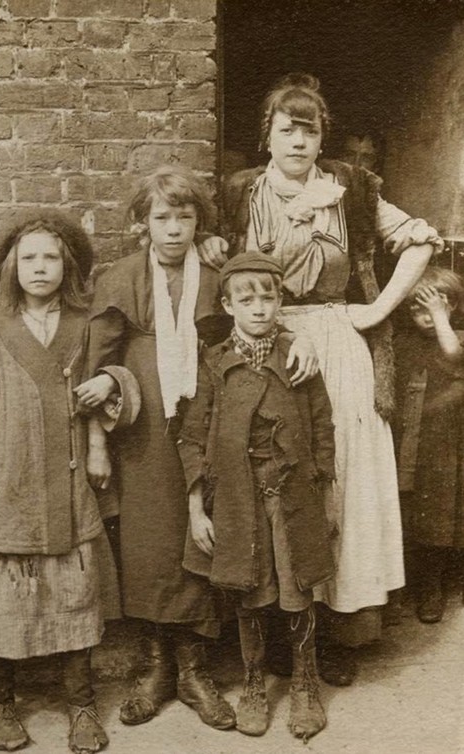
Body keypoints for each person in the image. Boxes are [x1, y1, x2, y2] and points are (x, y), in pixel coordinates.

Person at [199, 72, 442, 685]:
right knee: (275, 475)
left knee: (339, 480)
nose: (299, 143)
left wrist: (375, 310)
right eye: (288, 130)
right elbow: (215, 256)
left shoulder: (352, 188)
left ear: (321, 137)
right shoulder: (239, 193)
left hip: (336, 340)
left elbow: (420, 242)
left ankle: (336, 631)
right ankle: (277, 631)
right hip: (265, 338)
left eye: (310, 132)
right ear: (268, 135)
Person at [0, 213, 130, 754]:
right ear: (11, 267)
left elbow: (121, 372)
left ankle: (81, 700)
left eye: (50, 257)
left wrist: (108, 384)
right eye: (29, 258)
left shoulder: (86, 325)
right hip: (13, 488)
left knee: (76, 591)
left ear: (66, 264)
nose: (39, 267)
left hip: (69, 489)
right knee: (7, 599)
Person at [75, 165, 236, 732]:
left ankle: (195, 668)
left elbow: (235, 342)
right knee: (148, 541)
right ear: (143, 223)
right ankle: (155, 666)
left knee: (203, 535)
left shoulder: (216, 274)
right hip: (139, 429)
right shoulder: (121, 278)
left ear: (200, 221)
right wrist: (97, 442)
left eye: (185, 217)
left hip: (204, 417)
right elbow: (96, 366)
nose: (174, 229)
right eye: (161, 218)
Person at [177, 253, 335, 741]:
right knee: (249, 588)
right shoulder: (214, 362)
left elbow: (322, 428)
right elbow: (193, 438)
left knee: (296, 586)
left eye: (268, 296)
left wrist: (327, 495)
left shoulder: (297, 357)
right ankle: (253, 683)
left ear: (281, 299)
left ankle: (306, 683)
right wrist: (195, 508)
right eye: (246, 299)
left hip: (292, 494)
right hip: (237, 496)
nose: (259, 307)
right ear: (227, 304)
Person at [394, 266, 464, 624]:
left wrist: (440, 319)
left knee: (439, 513)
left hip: (446, 445)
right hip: (410, 442)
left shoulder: (456, 337)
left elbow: (453, 355)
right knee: (408, 511)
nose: (423, 316)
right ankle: (404, 584)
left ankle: (432, 586)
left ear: (451, 306)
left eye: (432, 307)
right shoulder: (402, 343)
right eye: (416, 308)